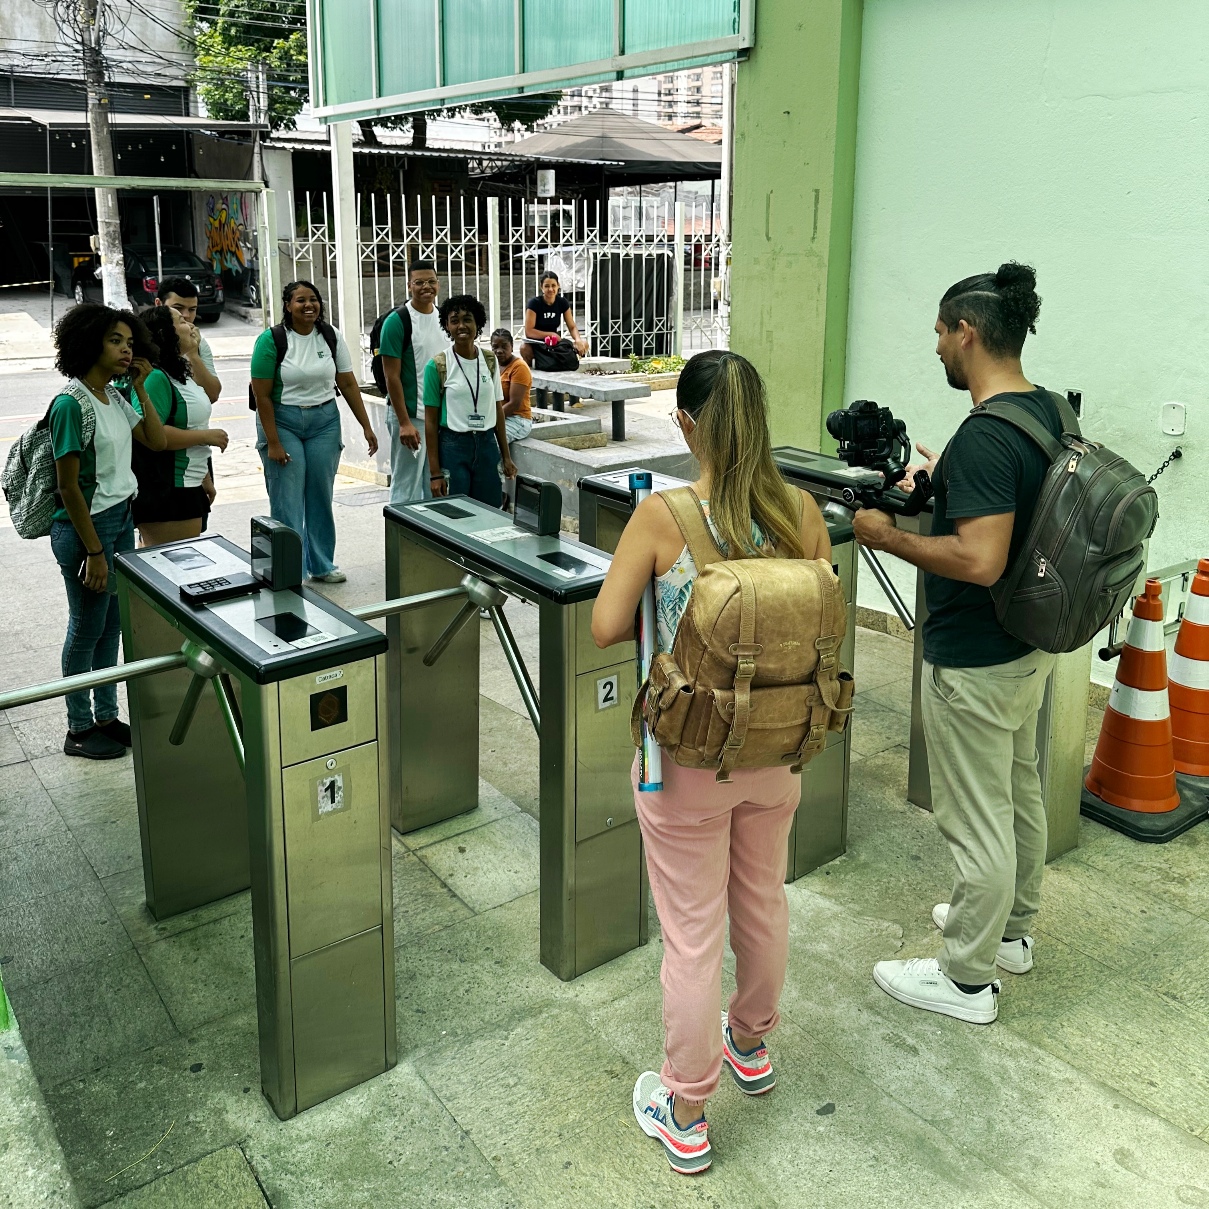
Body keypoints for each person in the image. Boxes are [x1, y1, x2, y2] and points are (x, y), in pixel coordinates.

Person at [591, 350, 831, 1174]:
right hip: (779, 750)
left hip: (688, 759)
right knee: (761, 898)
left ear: (686, 423)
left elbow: (604, 624)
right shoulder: (801, 510)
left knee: (692, 934)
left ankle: (685, 1106)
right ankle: (748, 1042)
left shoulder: (664, 516)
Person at [853, 262, 1057, 1026]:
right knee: (1017, 789)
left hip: (973, 655)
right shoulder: (1044, 412)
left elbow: (979, 559)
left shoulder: (984, 434)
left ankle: (966, 980)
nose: (935, 345)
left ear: (965, 331)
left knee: (975, 818)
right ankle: (1011, 933)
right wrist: (947, 475)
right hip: (1027, 644)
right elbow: (1019, 506)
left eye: (940, 332)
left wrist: (887, 534)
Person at [48, 304, 167, 759]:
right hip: (87, 530)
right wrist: (94, 551)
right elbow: (67, 487)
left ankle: (104, 715)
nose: (125, 349)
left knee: (112, 625)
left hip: (120, 519)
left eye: (129, 342)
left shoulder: (113, 396)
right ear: (89, 343)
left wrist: (139, 388)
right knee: (86, 627)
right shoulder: (70, 404)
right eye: (115, 341)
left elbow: (154, 441)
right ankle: (78, 728)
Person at [250, 280, 378, 584]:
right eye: (300, 300)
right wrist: (273, 442)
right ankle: (287, 570)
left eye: (314, 300)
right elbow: (262, 396)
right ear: (288, 306)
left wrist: (366, 426)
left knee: (320, 494)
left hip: (324, 421)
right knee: (287, 499)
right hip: (282, 421)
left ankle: (321, 565)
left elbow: (347, 383)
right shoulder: (272, 340)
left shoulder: (330, 336)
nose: (309, 305)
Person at [131, 306, 229, 546]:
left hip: (189, 484)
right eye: (181, 320)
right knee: (169, 570)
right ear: (165, 333)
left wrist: (204, 476)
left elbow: (206, 401)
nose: (191, 324)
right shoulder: (155, 377)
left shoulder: (179, 371)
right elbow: (153, 434)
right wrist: (206, 436)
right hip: (166, 489)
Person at [424, 295, 516, 505]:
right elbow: (430, 423)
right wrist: (435, 472)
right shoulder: (437, 366)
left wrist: (506, 456)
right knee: (457, 513)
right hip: (453, 446)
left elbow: (497, 409)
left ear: (478, 323)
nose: (461, 326)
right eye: (454, 321)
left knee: (491, 511)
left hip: (486, 445)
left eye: (467, 319)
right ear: (446, 326)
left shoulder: (490, 360)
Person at [379, 259, 444, 506]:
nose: (426, 287)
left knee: (434, 484)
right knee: (406, 486)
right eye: (419, 282)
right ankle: (399, 539)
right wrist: (405, 423)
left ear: (438, 284)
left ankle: (428, 541)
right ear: (409, 286)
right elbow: (391, 377)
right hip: (410, 417)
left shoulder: (444, 318)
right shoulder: (398, 321)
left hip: (437, 418)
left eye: (431, 281)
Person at [154, 277, 221, 404]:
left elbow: (213, 394)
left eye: (192, 309)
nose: (186, 315)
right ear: (158, 304)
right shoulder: (144, 340)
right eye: (178, 308)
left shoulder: (198, 343)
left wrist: (193, 355)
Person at [519, 271, 588, 365]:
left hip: (554, 343)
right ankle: (530, 370)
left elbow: (572, 327)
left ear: (558, 285)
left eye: (553, 285)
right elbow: (529, 331)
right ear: (541, 287)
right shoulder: (534, 303)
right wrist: (551, 334)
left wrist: (578, 339)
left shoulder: (562, 302)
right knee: (524, 348)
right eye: (547, 286)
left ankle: (569, 364)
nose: (550, 289)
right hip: (537, 342)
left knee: (584, 343)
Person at [490, 327, 533, 443]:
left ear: (512, 346)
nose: (499, 351)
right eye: (495, 347)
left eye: (504, 346)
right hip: (498, 417)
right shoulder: (493, 365)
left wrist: (490, 419)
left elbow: (514, 404)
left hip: (518, 420)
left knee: (491, 442)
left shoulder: (519, 367)